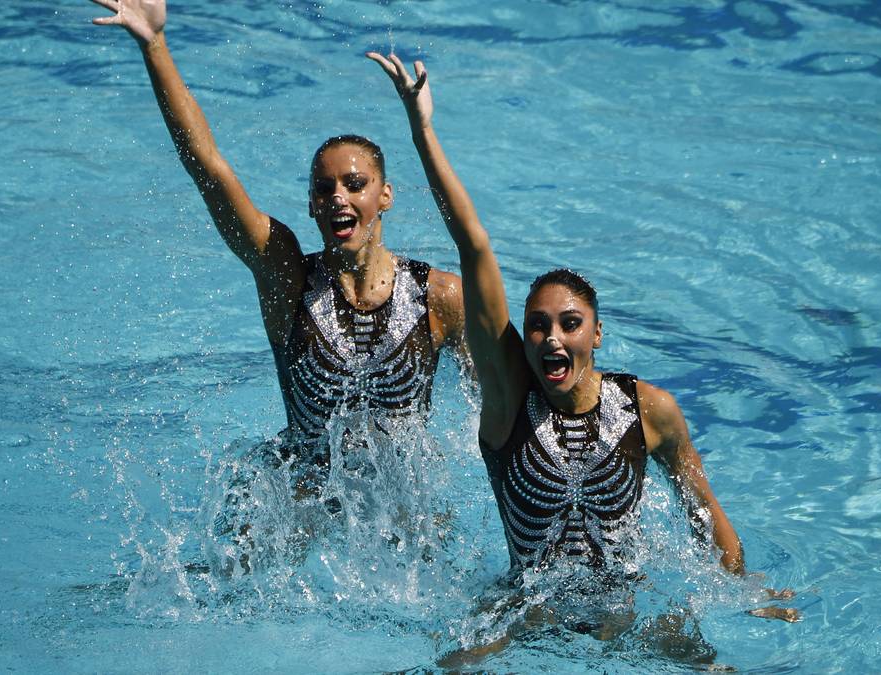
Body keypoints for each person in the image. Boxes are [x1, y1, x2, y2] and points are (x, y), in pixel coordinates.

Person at [367, 50, 796, 661]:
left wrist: (744, 591)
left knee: (708, 663)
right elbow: (474, 246)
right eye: (537, 326)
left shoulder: (649, 410)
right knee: (452, 663)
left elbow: (705, 515)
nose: (552, 339)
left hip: (628, 613)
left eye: (570, 325)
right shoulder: (509, 403)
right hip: (526, 614)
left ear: (597, 334)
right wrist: (423, 130)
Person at [87, 1, 464, 465]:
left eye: (355, 184)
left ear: (385, 195)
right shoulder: (288, 279)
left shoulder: (440, 297)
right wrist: (155, 45)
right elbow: (209, 169)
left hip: (402, 503)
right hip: (298, 497)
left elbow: (504, 399)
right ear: (311, 205)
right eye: (324, 189)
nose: (338, 197)